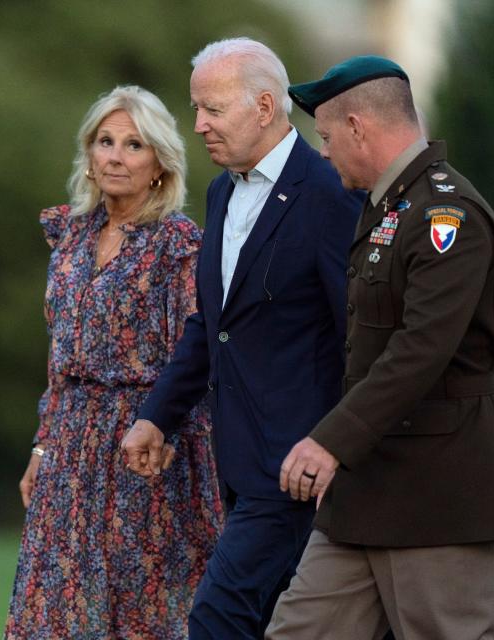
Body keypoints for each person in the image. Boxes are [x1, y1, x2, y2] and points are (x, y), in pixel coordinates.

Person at [266, 55, 494, 640]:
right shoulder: (390, 208)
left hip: (435, 491)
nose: (324, 152)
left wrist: (329, 443)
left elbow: (421, 349)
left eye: (328, 136)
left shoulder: (447, 213)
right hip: (365, 491)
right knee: (298, 632)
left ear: (360, 127)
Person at [121, 38, 363, 639]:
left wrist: (337, 443)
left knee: (216, 618)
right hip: (236, 461)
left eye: (213, 109)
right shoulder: (222, 190)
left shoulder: (330, 193)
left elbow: (359, 332)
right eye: (196, 108)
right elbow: (213, 322)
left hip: (299, 466)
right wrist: (158, 416)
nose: (198, 125)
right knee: (275, 624)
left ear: (263, 106)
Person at [3, 85, 223, 640]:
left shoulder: (179, 245)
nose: (116, 156)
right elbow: (59, 359)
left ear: (159, 164)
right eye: (106, 141)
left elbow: (194, 359)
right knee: (51, 611)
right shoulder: (71, 237)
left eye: (134, 144)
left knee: (140, 615)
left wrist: (164, 431)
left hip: (144, 447)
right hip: (70, 452)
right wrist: (41, 445)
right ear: (89, 153)